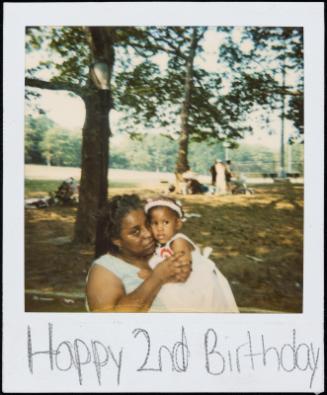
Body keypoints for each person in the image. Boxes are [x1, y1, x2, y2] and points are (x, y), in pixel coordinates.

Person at [86, 194, 191, 312]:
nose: (148, 234)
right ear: (117, 240)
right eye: (135, 232)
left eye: (148, 224)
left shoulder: (163, 251)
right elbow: (108, 323)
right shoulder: (104, 269)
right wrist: (157, 278)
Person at [144, 196, 239, 312]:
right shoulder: (157, 247)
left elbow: (183, 273)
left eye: (165, 222)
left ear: (178, 224)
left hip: (194, 286)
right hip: (177, 285)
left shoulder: (179, 241)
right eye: (154, 223)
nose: (160, 228)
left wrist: (157, 279)